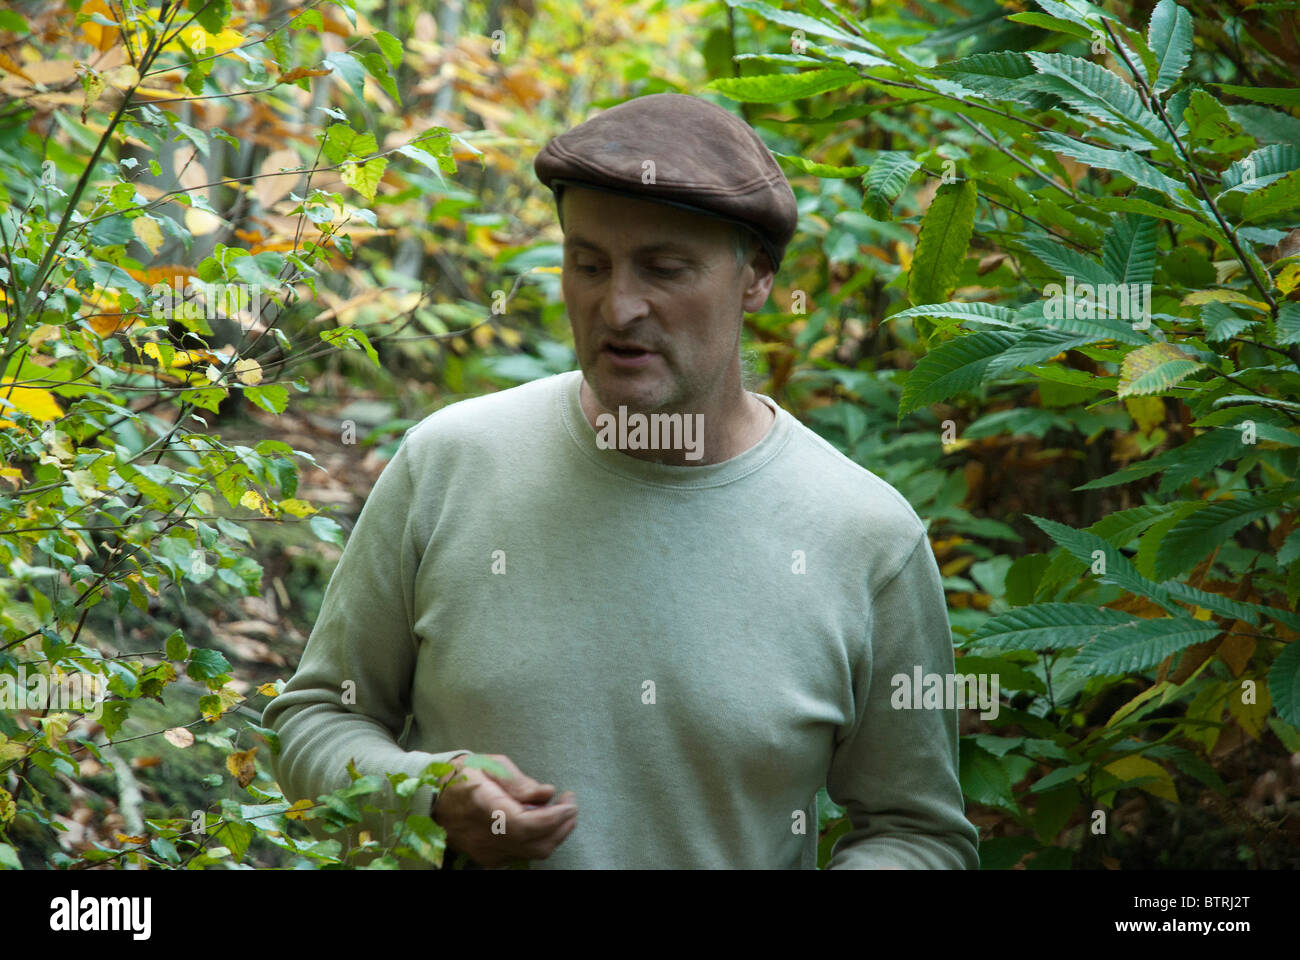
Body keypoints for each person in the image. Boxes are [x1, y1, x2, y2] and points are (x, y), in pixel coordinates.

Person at [264, 93, 980, 869]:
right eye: (588, 264)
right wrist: (425, 791)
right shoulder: (449, 462)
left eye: (665, 269)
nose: (620, 306)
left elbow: (918, 833)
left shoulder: (865, 537)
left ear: (757, 278)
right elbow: (313, 720)